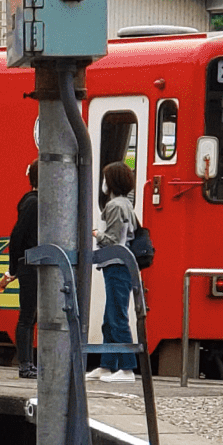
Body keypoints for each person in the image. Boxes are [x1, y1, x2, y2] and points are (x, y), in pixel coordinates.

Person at [93, 160, 141, 383]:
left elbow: (113, 240)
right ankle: (107, 364)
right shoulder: (126, 204)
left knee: (117, 317)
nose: (103, 183)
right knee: (110, 317)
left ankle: (127, 367)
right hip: (121, 264)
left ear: (111, 182)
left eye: (105, 178)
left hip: (116, 264)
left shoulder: (114, 206)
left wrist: (95, 234)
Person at [0, 160, 39, 379]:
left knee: (32, 316)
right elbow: (17, 236)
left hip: (33, 265)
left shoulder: (34, 201)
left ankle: (29, 363)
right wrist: (14, 268)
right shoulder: (33, 203)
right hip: (31, 266)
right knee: (28, 316)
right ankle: (25, 364)